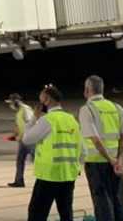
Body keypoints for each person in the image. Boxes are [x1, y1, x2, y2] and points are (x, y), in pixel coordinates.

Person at [22, 85, 83, 221]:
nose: (39, 104)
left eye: (41, 100)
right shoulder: (72, 120)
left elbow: (27, 139)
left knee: (36, 213)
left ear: (47, 100)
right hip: (68, 175)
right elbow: (81, 147)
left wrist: (34, 118)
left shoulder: (47, 120)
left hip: (49, 176)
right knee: (66, 214)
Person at [80, 75, 123, 221]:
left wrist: (110, 159)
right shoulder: (116, 108)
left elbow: (96, 140)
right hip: (116, 165)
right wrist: (119, 160)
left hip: (97, 164)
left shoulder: (87, 109)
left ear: (87, 90)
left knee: (103, 206)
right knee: (118, 203)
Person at [6, 93, 35, 188]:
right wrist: (15, 135)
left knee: (36, 161)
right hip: (22, 141)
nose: (11, 105)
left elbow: (30, 123)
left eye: (12, 102)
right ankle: (19, 181)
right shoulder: (19, 112)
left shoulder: (25, 109)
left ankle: (45, 180)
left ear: (16, 102)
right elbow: (19, 126)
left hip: (30, 140)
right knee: (20, 161)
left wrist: (23, 135)